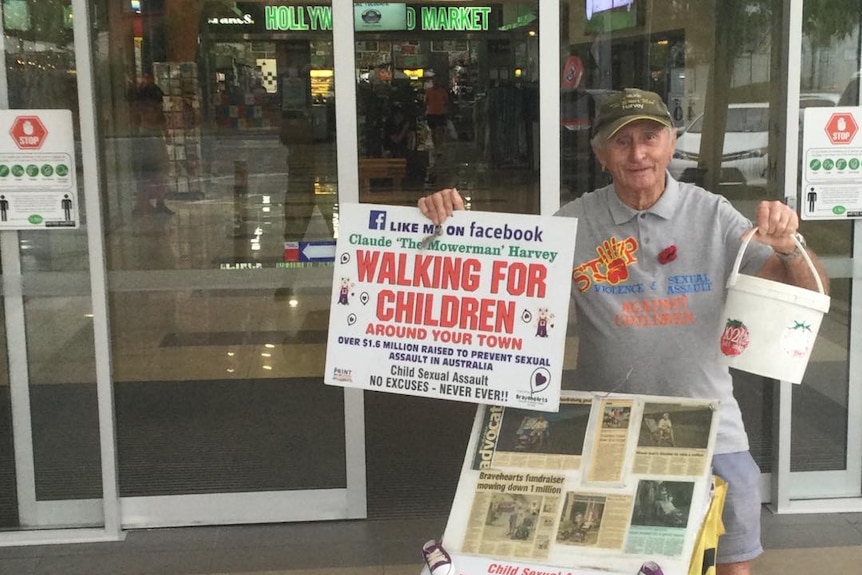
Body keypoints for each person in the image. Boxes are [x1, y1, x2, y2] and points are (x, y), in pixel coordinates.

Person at [418, 88, 830, 575]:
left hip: (712, 432)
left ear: (671, 142)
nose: (638, 153)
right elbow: (495, 290)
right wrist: (449, 228)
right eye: (622, 141)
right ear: (600, 155)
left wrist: (787, 245)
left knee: (730, 567)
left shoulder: (713, 214)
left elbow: (810, 292)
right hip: (608, 437)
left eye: (650, 137)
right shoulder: (574, 223)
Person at [130, 73, 173, 215]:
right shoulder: (146, 108)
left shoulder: (140, 107)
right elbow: (160, 121)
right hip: (148, 136)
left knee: (151, 172)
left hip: (148, 135)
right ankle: (148, 203)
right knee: (153, 172)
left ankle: (149, 203)